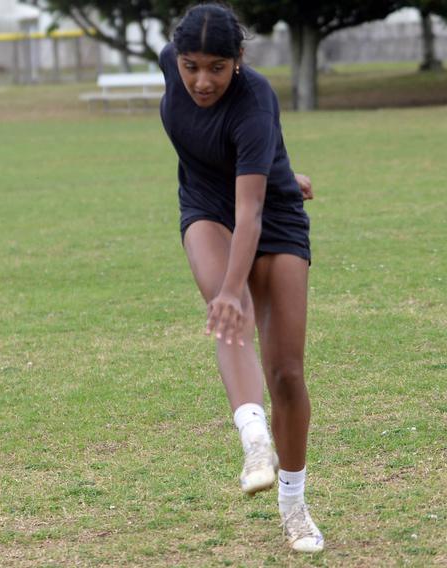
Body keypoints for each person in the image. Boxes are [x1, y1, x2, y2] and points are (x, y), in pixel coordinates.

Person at [157, 4, 323, 553]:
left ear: (239, 61)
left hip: (269, 213)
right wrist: (227, 293)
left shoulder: (255, 97)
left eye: (216, 68)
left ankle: (294, 505)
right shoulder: (169, 65)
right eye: (190, 66)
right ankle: (256, 443)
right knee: (231, 318)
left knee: (288, 374)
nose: (201, 81)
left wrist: (280, 174)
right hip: (206, 202)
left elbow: (251, 211)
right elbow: (226, 161)